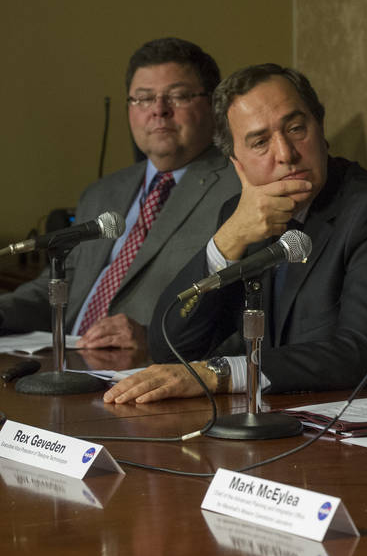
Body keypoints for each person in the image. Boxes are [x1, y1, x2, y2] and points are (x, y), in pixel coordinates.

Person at [103, 64, 367, 403]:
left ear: (320, 126)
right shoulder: (241, 218)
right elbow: (172, 347)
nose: (286, 154)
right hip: (296, 424)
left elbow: (360, 354)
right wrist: (227, 241)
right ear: (236, 163)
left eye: (296, 129)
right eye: (260, 142)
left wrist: (223, 373)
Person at [0, 38, 239, 351]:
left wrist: (151, 337)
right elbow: (58, 284)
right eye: (143, 98)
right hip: (65, 358)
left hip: (145, 372)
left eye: (177, 96)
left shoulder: (239, 189)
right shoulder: (102, 192)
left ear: (212, 104)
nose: (158, 111)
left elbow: (241, 313)